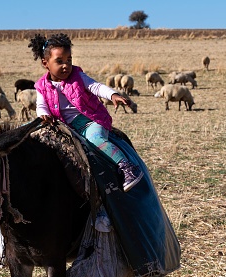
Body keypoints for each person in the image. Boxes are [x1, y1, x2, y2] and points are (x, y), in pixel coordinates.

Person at [28, 33, 143, 192]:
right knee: (30, 131)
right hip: (65, 125)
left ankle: (127, 166)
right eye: (59, 61)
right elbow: (40, 104)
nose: (66, 65)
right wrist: (43, 113)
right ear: (45, 63)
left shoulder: (77, 76)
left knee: (95, 140)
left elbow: (96, 87)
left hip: (90, 121)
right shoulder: (41, 85)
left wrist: (112, 95)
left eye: (69, 60)